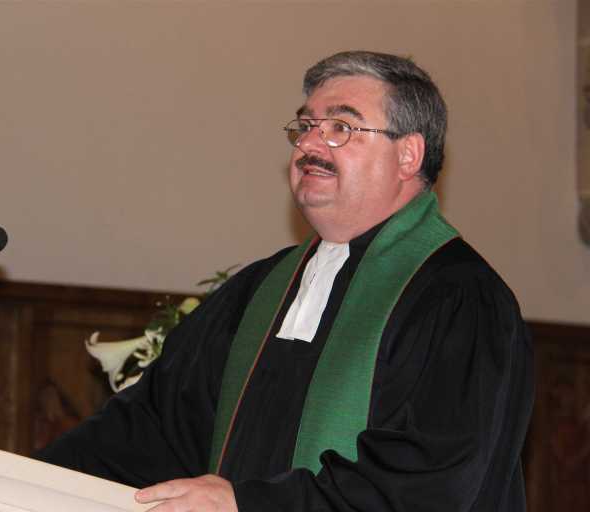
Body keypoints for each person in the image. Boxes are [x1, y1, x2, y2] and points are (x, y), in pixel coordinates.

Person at [35, 51, 534, 511]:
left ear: (408, 155)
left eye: (340, 126)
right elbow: (147, 430)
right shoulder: (258, 291)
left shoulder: (458, 297)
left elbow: (428, 479)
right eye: (306, 125)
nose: (310, 144)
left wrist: (249, 504)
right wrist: (20, 476)